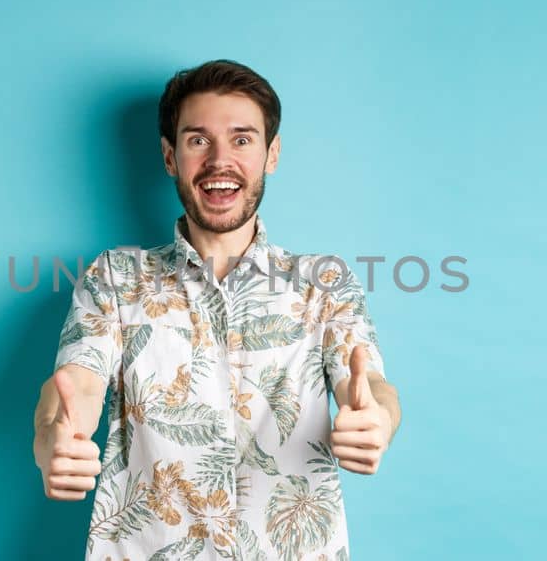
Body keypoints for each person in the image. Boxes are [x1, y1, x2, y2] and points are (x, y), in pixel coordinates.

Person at [32, 59, 402, 560]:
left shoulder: (324, 283)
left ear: (271, 154)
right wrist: (53, 436)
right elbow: (76, 387)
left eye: (243, 139)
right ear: (170, 156)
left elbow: (371, 386)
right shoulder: (115, 279)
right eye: (198, 140)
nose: (219, 160)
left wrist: (378, 418)